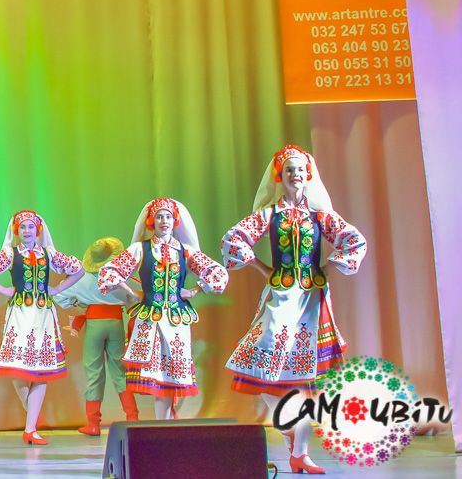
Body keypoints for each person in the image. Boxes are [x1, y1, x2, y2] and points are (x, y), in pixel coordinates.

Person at [222, 145, 367, 475]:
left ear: (308, 175)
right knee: (262, 366)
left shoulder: (319, 215)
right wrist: (263, 268)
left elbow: (355, 241)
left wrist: (327, 268)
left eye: (300, 169)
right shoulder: (269, 214)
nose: (295, 174)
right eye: (289, 169)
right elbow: (233, 239)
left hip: (312, 300)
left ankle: (300, 453)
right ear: (280, 176)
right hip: (280, 296)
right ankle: (288, 426)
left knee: (306, 380)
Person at [98, 198, 228, 421]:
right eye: (159, 216)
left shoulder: (185, 251)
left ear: (174, 220)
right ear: (151, 221)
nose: (164, 221)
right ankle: (163, 426)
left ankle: (166, 426)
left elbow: (218, 273)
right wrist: (133, 293)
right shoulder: (140, 249)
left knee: (171, 376)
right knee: (159, 379)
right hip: (151, 321)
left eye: (168, 216)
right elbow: (109, 272)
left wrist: (195, 290)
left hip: (176, 321)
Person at [0, 210, 85, 445]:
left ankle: (30, 428)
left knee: (41, 370)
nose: (27, 231)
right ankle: (31, 412)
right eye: (22, 227)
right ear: (17, 231)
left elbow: (78, 269)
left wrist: (57, 289)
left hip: (43, 314)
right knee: (18, 368)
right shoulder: (10, 254)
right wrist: (3, 290)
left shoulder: (48, 253)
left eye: (31, 227)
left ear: (37, 230)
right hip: (20, 313)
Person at [52, 236, 138, 435]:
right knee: (119, 371)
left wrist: (78, 304)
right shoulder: (121, 278)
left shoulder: (81, 278)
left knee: (93, 372)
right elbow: (134, 298)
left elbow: (59, 296)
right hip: (115, 322)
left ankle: (93, 424)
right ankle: (132, 418)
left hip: (94, 323)